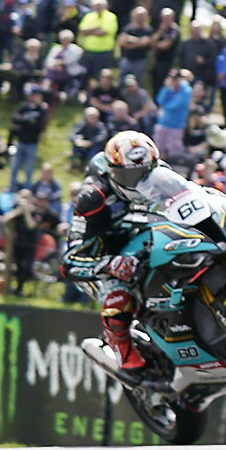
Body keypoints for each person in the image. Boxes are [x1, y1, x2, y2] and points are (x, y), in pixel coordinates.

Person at [59, 132, 164, 371]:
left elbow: (188, 193)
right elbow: (69, 262)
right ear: (114, 172)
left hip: (140, 238)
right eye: (131, 175)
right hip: (101, 254)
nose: (140, 181)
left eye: (146, 173)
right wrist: (106, 265)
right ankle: (122, 350)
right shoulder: (91, 197)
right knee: (119, 296)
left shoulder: (160, 173)